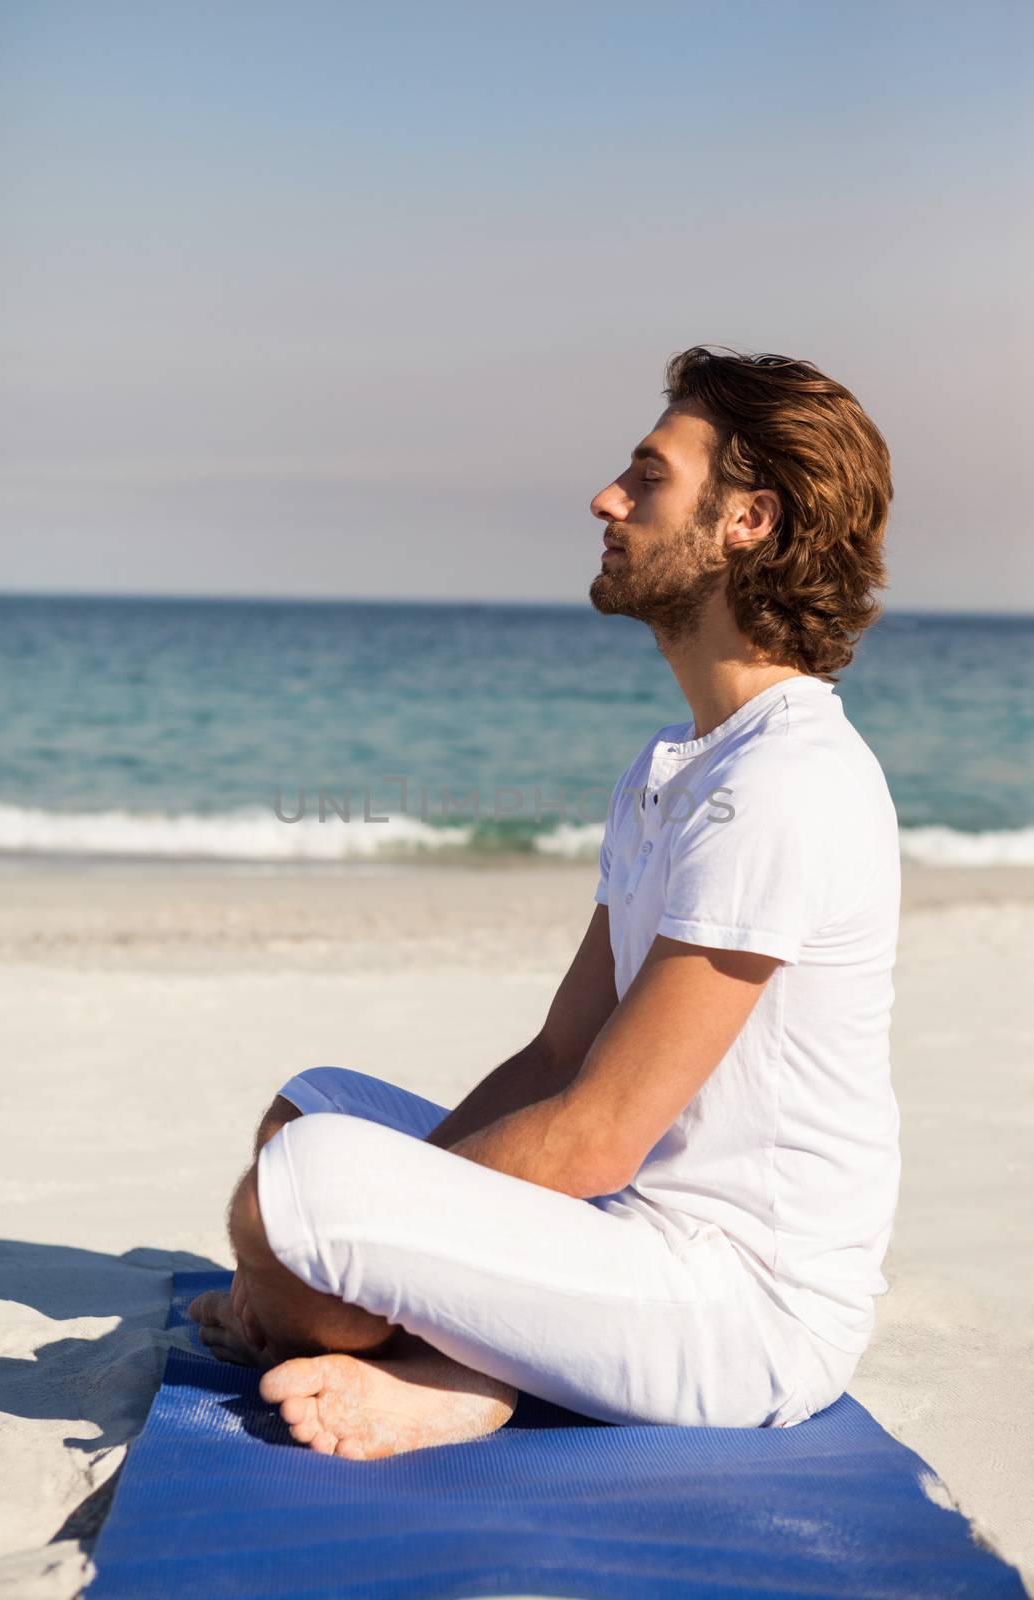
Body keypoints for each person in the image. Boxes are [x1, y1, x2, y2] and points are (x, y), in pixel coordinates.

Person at [190, 344, 901, 1462]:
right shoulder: (678, 763)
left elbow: (594, 1139)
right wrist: (400, 1233)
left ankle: (459, 1371)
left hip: (738, 1313)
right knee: (307, 1112)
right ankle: (455, 1349)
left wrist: (363, 1247)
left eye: (646, 477)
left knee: (293, 1201)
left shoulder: (784, 783)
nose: (604, 500)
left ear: (745, 521)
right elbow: (558, 1051)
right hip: (625, 1238)